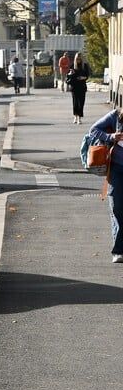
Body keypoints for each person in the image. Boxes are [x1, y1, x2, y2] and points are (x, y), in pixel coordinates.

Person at [89, 107, 123, 263]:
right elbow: (94, 130)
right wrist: (110, 137)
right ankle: (118, 251)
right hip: (117, 168)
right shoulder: (116, 115)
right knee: (117, 207)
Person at [68, 52, 91, 124]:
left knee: (81, 103)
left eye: (80, 59)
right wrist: (70, 74)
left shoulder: (85, 66)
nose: (78, 60)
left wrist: (83, 77)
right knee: (75, 102)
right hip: (74, 87)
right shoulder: (72, 66)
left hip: (82, 86)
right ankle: (75, 116)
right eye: (77, 59)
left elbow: (87, 76)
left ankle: (79, 118)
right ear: (75, 59)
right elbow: (68, 76)